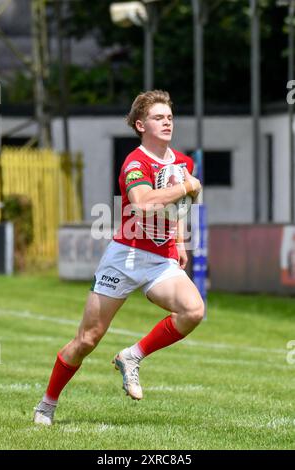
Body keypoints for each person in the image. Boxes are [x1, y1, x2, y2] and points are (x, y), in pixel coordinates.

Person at [34, 90, 204, 426]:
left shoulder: (184, 164)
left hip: (161, 259)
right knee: (87, 339)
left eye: (169, 116)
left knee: (194, 310)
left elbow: (178, 209)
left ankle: (132, 356)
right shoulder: (135, 162)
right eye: (158, 117)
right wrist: (187, 188)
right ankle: (46, 404)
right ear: (141, 125)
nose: (167, 121)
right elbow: (143, 203)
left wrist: (181, 240)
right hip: (125, 257)